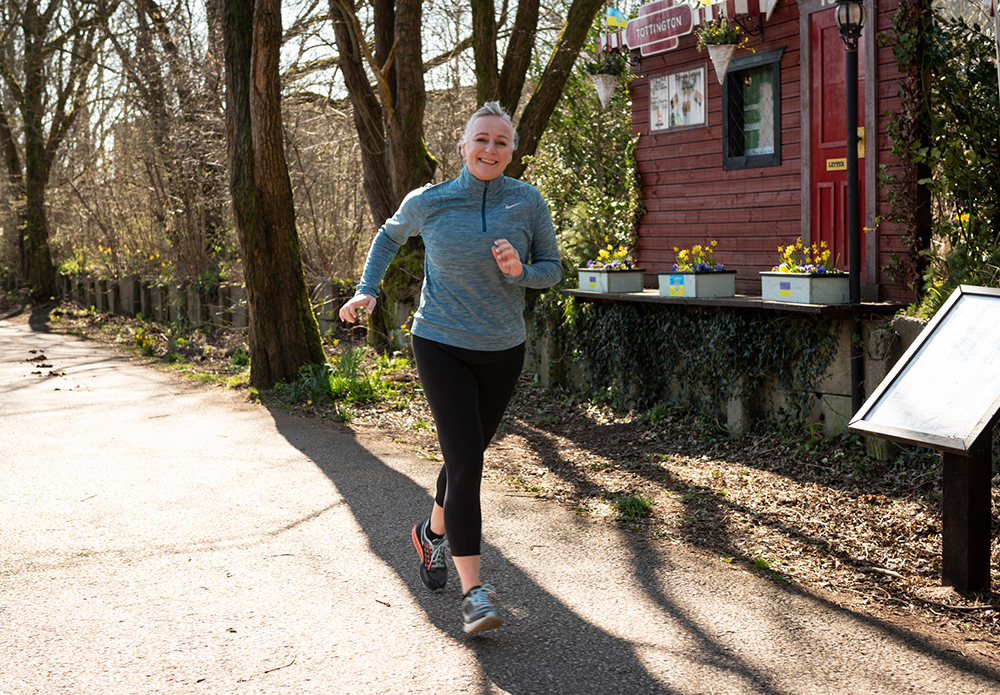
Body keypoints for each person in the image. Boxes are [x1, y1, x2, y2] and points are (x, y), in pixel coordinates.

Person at [339, 101, 562, 633]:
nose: (490, 149)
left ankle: (430, 534)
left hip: (504, 349)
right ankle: (475, 593)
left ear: (513, 151)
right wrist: (367, 289)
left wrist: (521, 270)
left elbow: (552, 270)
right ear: (462, 147)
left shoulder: (528, 202)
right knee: (468, 464)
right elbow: (389, 235)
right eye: (480, 140)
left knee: (465, 458)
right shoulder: (431, 200)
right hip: (439, 342)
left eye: (501, 142)